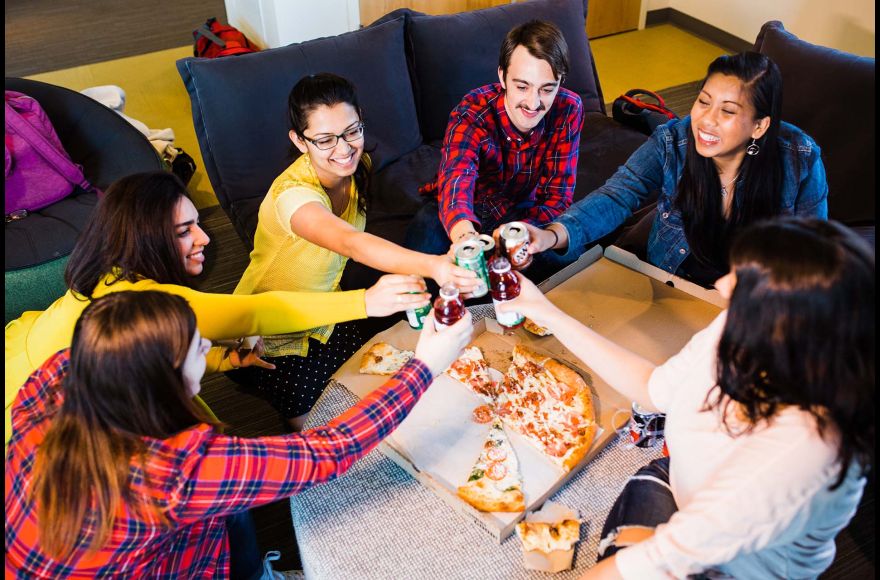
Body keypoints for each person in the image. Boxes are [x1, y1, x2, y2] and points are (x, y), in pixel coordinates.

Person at [496, 218, 873, 578]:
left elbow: (661, 561)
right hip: (684, 489)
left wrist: (640, 553)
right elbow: (654, 387)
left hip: (742, 566)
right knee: (637, 518)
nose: (722, 285)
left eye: (740, 284)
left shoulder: (805, 449)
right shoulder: (740, 327)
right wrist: (543, 311)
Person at [5, 290, 473, 578]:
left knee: (233, 513)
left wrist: (224, 359)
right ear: (163, 384)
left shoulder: (62, 373)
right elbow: (325, 453)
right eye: (198, 348)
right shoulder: (172, 475)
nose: (209, 346)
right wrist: (425, 366)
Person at [4, 171, 423, 445]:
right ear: (147, 238)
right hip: (40, 420)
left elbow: (146, 357)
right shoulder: (154, 304)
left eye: (198, 223)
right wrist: (365, 301)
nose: (204, 239)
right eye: (186, 231)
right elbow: (258, 311)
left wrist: (221, 359)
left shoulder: (108, 268)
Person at [231, 72, 479, 431]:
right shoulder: (293, 197)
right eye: (325, 139)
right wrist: (435, 265)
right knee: (328, 435)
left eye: (352, 131)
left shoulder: (357, 166)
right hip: (269, 332)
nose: (344, 148)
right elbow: (349, 241)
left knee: (392, 393)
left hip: (329, 312)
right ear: (300, 142)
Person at [519, 51, 828, 288]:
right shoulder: (674, 140)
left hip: (748, 303)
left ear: (759, 126)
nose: (707, 120)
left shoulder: (800, 158)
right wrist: (549, 235)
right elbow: (618, 194)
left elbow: (811, 253)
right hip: (673, 281)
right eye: (703, 102)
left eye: (728, 111)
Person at [403, 19, 584, 277]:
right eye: (522, 87)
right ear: (502, 76)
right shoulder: (472, 111)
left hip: (521, 209)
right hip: (466, 208)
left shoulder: (569, 108)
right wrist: (466, 239)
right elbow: (457, 181)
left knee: (570, 252)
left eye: (546, 89)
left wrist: (524, 237)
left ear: (560, 82)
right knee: (422, 250)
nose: (533, 104)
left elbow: (558, 196)